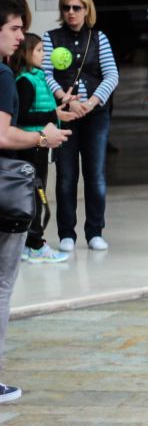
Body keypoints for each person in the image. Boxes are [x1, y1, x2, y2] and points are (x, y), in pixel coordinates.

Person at [0, 0, 71, 401]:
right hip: (5, 187)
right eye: (13, 28)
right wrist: (43, 136)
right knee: (3, 282)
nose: (19, 37)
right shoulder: (5, 77)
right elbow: (4, 133)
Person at [42, 0, 118, 253]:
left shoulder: (99, 38)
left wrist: (91, 102)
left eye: (77, 7)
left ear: (87, 10)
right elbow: (46, 73)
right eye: (66, 8)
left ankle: (95, 231)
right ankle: (66, 233)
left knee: (95, 174)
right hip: (65, 114)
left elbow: (111, 75)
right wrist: (67, 98)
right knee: (66, 175)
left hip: (95, 115)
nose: (71, 13)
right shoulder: (50, 38)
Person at [14, 34, 73, 263]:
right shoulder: (25, 81)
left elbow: (42, 107)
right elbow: (24, 115)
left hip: (41, 145)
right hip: (32, 145)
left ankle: (32, 242)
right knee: (35, 195)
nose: (43, 55)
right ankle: (35, 244)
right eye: (39, 51)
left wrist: (58, 109)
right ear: (26, 53)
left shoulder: (38, 78)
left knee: (37, 194)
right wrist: (53, 114)